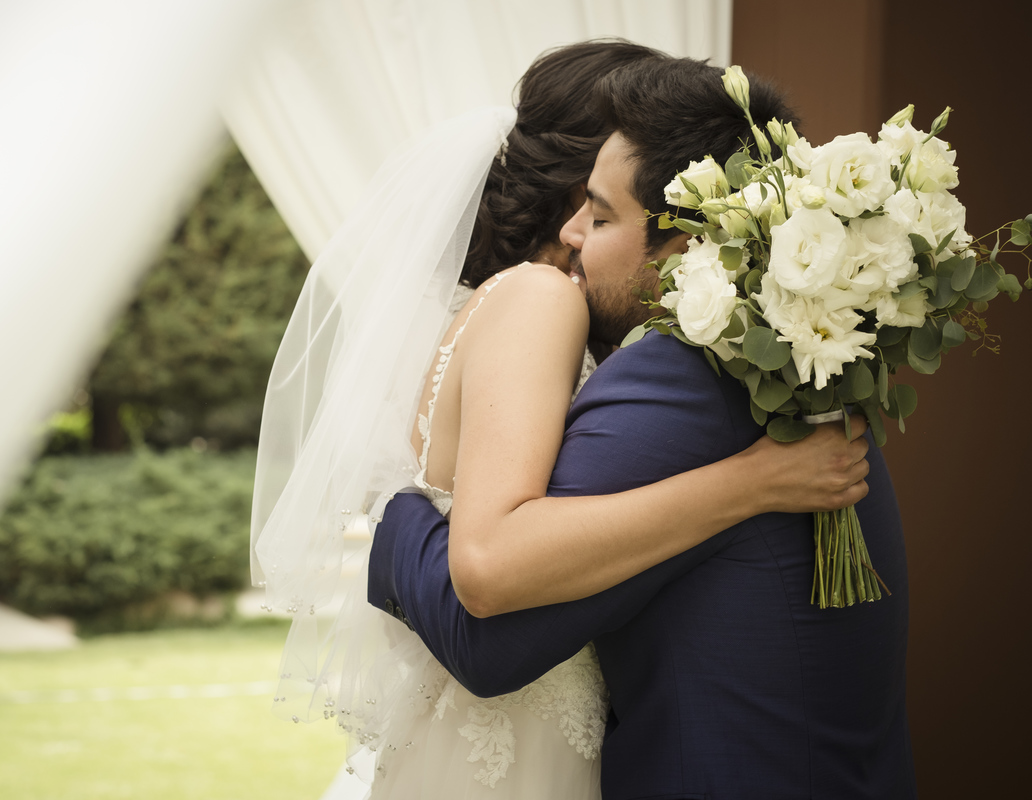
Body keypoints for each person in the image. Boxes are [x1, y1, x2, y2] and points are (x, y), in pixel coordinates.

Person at [253, 42, 873, 800]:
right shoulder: (542, 302)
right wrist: (753, 483)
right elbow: (488, 567)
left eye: (604, 210)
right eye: (591, 201)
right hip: (516, 745)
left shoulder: (515, 309)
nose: (583, 228)